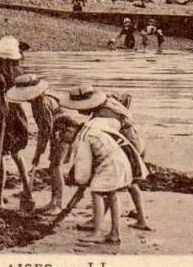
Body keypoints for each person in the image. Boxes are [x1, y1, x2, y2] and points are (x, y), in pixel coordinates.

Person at [62, 85, 151, 235]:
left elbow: (106, 141)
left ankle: (100, 222)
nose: (78, 111)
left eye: (79, 108)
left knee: (114, 184)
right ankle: (139, 219)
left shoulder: (104, 114)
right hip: (129, 139)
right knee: (126, 184)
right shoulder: (104, 105)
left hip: (127, 143)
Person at [0, 36, 35, 211]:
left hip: (3, 116)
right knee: (16, 154)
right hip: (19, 114)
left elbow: (2, 97)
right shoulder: (20, 72)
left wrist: (0, 107)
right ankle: (28, 191)